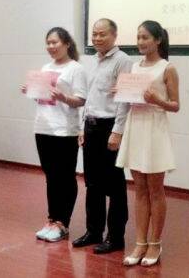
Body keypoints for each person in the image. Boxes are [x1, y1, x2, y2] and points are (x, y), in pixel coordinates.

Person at [115, 20, 179, 267]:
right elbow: (131, 99)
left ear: (158, 40)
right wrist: (120, 92)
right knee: (139, 189)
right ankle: (140, 242)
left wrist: (157, 100)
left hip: (154, 129)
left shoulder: (167, 68)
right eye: (138, 37)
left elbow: (175, 105)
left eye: (145, 37)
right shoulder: (134, 67)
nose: (140, 42)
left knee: (155, 189)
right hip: (136, 126)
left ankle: (155, 242)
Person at [72, 19, 132, 254]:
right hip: (91, 126)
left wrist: (117, 131)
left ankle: (115, 237)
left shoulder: (123, 60)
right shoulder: (92, 61)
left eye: (102, 34)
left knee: (115, 185)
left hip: (109, 127)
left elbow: (125, 100)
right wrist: (81, 127)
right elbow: (89, 98)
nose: (97, 38)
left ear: (114, 35)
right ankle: (93, 231)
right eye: (94, 34)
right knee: (92, 183)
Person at [22, 27, 86, 242]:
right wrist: (31, 91)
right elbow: (42, 97)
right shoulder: (46, 68)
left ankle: (62, 223)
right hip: (43, 127)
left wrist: (63, 97)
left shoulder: (76, 69)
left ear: (67, 44)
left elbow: (81, 100)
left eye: (55, 42)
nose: (51, 46)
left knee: (64, 176)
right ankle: (52, 219)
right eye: (48, 43)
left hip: (64, 130)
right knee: (51, 176)